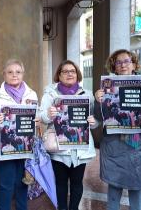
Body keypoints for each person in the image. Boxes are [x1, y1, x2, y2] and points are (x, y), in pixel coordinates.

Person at [94, 49, 141, 210]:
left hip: (138, 145)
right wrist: (98, 101)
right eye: (118, 62)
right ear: (114, 66)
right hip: (113, 145)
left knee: (137, 186)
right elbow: (99, 116)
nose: (123, 65)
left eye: (127, 61)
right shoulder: (106, 86)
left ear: (133, 64)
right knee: (114, 186)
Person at [40, 60, 98, 210]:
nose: (69, 74)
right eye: (65, 71)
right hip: (59, 148)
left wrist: (94, 122)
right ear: (59, 75)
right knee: (60, 183)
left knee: (77, 183)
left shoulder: (88, 95)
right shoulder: (50, 94)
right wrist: (49, 114)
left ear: (77, 74)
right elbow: (43, 118)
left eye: (72, 71)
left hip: (80, 148)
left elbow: (96, 120)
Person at [0, 59, 39, 210]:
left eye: (18, 72)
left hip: (25, 149)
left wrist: (37, 121)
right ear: (4, 75)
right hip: (4, 150)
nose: (14, 75)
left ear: (23, 74)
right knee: (6, 186)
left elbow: (38, 116)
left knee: (23, 184)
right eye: (10, 72)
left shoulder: (32, 94)